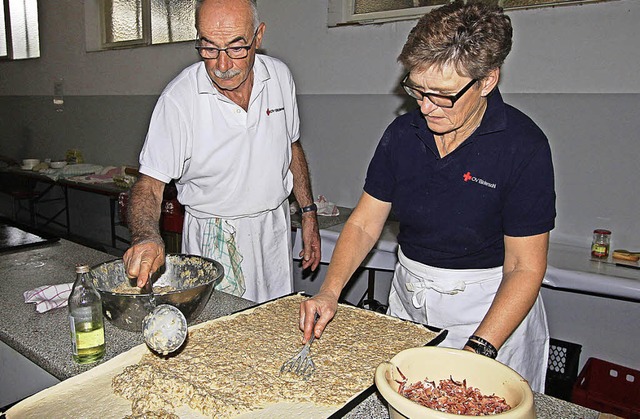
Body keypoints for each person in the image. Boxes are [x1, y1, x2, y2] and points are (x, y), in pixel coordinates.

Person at [299, 1, 555, 392]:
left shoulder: (522, 146)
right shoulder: (403, 136)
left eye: (443, 95)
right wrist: (330, 291)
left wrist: (477, 351)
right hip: (411, 304)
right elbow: (366, 223)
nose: (426, 107)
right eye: (417, 90)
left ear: (487, 81)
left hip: (487, 314)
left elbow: (524, 267)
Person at [123, 0, 321, 303]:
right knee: (223, 334)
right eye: (210, 48)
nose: (222, 65)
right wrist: (146, 236)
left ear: (259, 36)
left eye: (236, 48)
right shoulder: (179, 99)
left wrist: (308, 215)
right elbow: (149, 185)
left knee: (274, 328)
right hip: (214, 235)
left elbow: (291, 146)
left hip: (273, 229)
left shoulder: (279, 77)